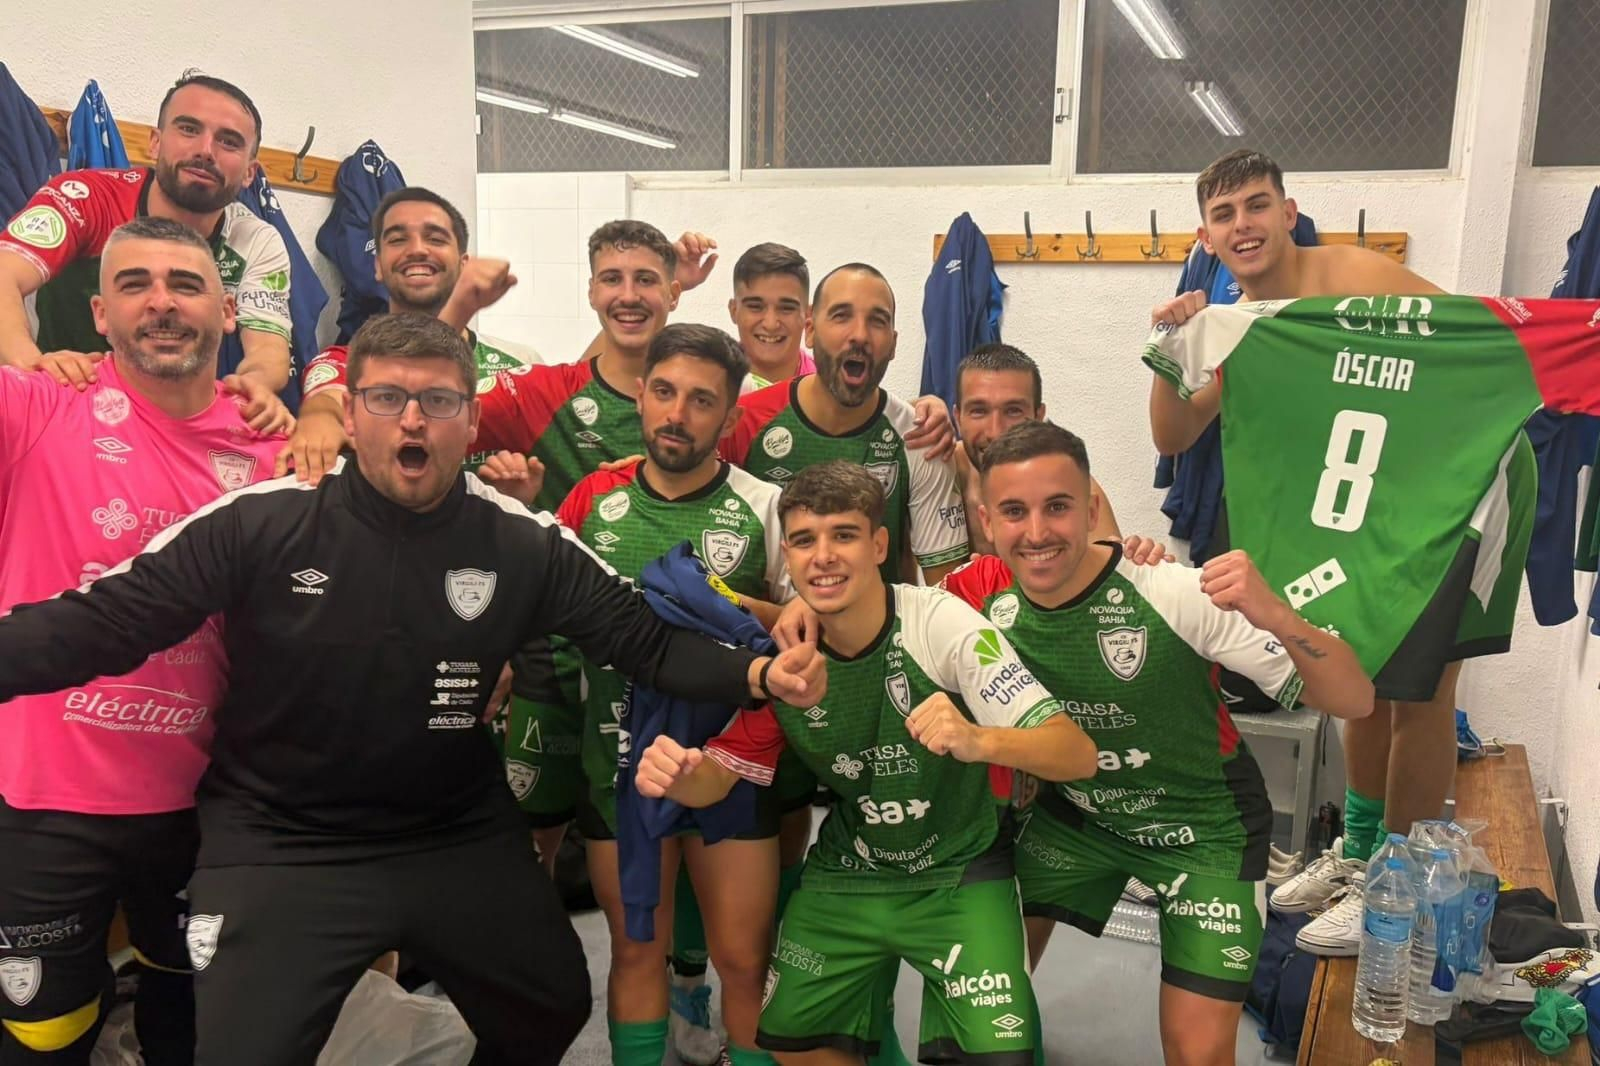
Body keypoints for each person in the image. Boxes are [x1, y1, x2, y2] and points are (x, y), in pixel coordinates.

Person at [0, 311, 826, 1066]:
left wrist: (757, 673)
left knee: (550, 1005)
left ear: (470, 420)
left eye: (438, 401)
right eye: (388, 398)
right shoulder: (261, 520)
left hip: (451, 829)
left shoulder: (521, 539)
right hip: (283, 837)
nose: (412, 421)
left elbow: (640, 638)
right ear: (351, 414)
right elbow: (109, 620)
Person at [1146, 148, 1535, 954]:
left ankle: (1402, 886)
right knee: (1366, 675)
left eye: (1257, 205)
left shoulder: (1356, 273)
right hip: (1376, 510)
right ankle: (1360, 855)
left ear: (1289, 214)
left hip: (1462, 487)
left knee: (1422, 692)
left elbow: (1484, 344)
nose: (1243, 225)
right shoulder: (1244, 328)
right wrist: (1171, 345)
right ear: (1206, 237)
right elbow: (1175, 433)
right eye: (1224, 214)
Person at [637, 460, 1098, 1065]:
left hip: (958, 871)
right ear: (788, 557)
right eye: (805, 540)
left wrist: (979, 739)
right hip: (850, 873)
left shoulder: (942, 625)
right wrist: (679, 775)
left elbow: (1076, 753)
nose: (824, 556)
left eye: (844, 535)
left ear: (879, 545)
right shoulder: (789, 661)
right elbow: (718, 778)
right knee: (793, 1047)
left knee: (1000, 1058)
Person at [941, 421, 1372, 1065]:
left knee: (1196, 1054)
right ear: (987, 521)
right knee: (977, 1013)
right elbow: (881, 617)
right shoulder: (977, 597)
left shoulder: (1171, 591)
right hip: (1075, 819)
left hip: (1203, 829)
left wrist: (1277, 614)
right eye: (1014, 512)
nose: (1036, 532)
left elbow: (1355, 700)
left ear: (1092, 508)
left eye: (1057, 506)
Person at [0, 216, 287, 1063]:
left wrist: (325, 402)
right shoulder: (37, 406)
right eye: (135, 285)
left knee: (190, 1023)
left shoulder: (275, 446)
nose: (161, 303)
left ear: (226, 312)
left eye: (185, 284)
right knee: (40, 1038)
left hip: (210, 807)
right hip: (44, 804)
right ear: (99, 314)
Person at [545, 323, 792, 1066]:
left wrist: (716, 600)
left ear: (730, 415)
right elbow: (548, 610)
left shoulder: (765, 505)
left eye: (701, 399)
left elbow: (802, 630)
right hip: (617, 762)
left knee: (744, 958)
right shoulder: (593, 497)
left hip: (728, 765)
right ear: (641, 395)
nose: (677, 414)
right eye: (663, 391)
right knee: (635, 949)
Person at [0, 72, 293, 420]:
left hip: (174, 419)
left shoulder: (257, 240)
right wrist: (30, 364)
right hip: (65, 404)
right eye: (188, 129)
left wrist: (249, 392)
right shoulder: (85, 197)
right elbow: (4, 273)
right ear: (155, 143)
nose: (205, 150)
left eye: (229, 142)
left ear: (249, 173)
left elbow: (268, 350)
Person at [722, 263, 970, 587]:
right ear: (810, 330)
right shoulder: (743, 421)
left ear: (893, 344)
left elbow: (946, 590)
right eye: (841, 316)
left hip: (876, 620)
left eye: (877, 321)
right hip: (756, 618)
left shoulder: (921, 436)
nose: (860, 335)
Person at [279, 185, 536, 483]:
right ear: (378, 265)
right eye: (398, 240)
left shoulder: (520, 362)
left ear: (463, 263)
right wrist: (317, 420)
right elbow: (327, 403)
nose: (417, 250)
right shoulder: (344, 362)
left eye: (436, 239)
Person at [951, 342, 1119, 551]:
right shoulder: (939, 471)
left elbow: (1112, 561)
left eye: (1013, 411)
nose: (995, 432)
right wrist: (922, 405)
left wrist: (1141, 557)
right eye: (979, 411)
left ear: (1038, 416)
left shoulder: (1066, 482)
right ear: (957, 417)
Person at [727, 242, 816, 387]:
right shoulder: (708, 384)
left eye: (786, 308)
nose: (771, 324)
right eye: (755, 307)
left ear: (808, 315)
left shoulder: (831, 390)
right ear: (734, 310)